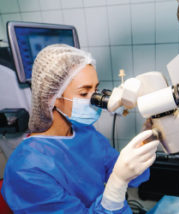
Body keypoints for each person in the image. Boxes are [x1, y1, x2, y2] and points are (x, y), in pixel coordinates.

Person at [1, 44, 159, 213]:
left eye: (96, 89)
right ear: (52, 98)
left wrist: (145, 140)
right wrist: (117, 184)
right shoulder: (26, 169)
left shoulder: (84, 132)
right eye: (84, 93)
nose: (94, 99)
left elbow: (124, 171)